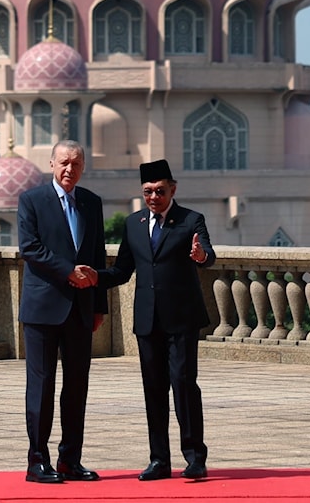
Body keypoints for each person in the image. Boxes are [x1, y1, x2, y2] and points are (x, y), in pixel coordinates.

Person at [96, 159, 216, 481]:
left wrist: (201, 256)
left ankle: (195, 458)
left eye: (160, 191)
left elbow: (207, 254)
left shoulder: (190, 220)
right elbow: (122, 270)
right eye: (147, 192)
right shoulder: (134, 224)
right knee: (154, 389)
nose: (153, 197)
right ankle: (159, 460)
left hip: (182, 318)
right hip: (148, 322)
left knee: (183, 385)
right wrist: (94, 278)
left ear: (172, 190)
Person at [17, 140, 106, 484]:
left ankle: (71, 458)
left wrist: (100, 306)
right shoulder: (32, 200)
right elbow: (30, 248)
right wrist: (67, 269)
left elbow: (97, 255)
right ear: (52, 164)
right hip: (43, 308)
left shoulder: (91, 203)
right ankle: (37, 460)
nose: (70, 169)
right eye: (65, 162)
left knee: (76, 387)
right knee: (41, 386)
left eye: (77, 164)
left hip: (82, 309)